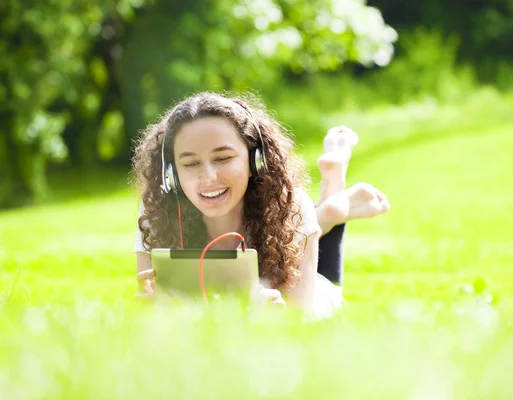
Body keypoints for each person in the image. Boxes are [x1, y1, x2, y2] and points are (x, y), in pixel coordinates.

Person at [131, 92, 389, 319]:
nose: (208, 176)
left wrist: (274, 316)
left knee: (309, 234)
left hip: (316, 292)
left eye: (223, 158)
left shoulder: (291, 206)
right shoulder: (158, 209)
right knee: (311, 220)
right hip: (293, 228)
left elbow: (303, 321)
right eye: (190, 164)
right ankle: (329, 211)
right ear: (171, 174)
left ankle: (334, 190)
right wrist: (158, 312)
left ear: (256, 162)